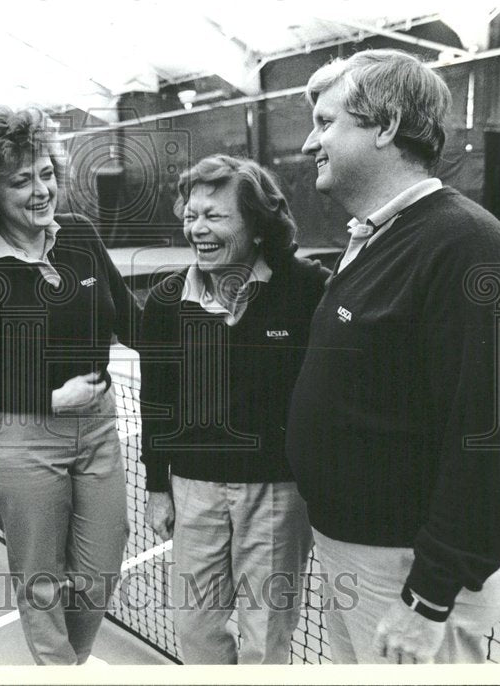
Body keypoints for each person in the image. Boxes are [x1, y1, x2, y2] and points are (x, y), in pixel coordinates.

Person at [287, 49, 500, 664]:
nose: (308, 143)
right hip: (352, 551)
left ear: (387, 126)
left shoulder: (469, 248)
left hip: (404, 573)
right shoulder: (378, 236)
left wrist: (427, 597)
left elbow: (487, 435)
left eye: (326, 122)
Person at [0, 106, 138, 665]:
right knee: (41, 577)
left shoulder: (79, 236)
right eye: (21, 180)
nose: (41, 190)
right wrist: (47, 398)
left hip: (96, 428)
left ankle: (67, 661)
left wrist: (204, 322)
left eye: (46, 173)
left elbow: (130, 317)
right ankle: (61, 669)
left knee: (100, 566)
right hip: (19, 436)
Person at [139, 155, 329, 664]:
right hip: (193, 489)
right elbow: (155, 399)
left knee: (267, 637)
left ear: (257, 224)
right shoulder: (164, 303)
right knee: (194, 627)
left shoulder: (307, 288)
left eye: (214, 216)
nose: (197, 228)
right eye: (191, 214)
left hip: (277, 493)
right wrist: (158, 485)